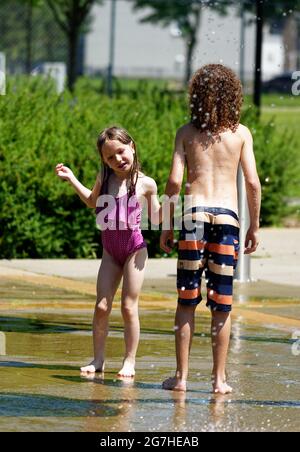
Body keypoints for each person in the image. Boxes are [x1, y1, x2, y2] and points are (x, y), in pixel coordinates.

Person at [160, 64, 261, 394]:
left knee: (187, 299)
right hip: (228, 218)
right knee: (222, 302)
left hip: (194, 215)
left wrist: (166, 224)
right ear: (234, 96)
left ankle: (182, 378)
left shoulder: (186, 133)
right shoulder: (241, 134)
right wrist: (254, 226)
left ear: (195, 96)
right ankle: (219, 380)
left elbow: (175, 181)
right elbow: (253, 184)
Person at [55, 126, 161, 377]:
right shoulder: (106, 178)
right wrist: (72, 179)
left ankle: (129, 361)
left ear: (132, 147)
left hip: (134, 249)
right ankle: (98, 359)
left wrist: (173, 200)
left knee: (127, 306)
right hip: (110, 251)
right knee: (102, 306)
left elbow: (156, 219)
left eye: (121, 152)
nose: (118, 160)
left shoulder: (146, 184)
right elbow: (93, 202)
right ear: (104, 160)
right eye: (110, 157)